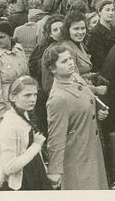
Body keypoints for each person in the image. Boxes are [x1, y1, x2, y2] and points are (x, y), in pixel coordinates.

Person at [44, 45, 109, 190]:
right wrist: (55, 171)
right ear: (53, 69)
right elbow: (56, 137)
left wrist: (98, 112)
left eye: (70, 59)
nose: (70, 63)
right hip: (77, 157)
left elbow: (86, 101)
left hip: (92, 150)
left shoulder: (75, 77)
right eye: (64, 61)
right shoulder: (58, 99)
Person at [0, 76, 50, 190]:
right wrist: (36, 146)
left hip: (35, 172)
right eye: (27, 95)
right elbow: (9, 167)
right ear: (13, 97)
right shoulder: (10, 124)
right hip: (24, 181)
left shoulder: (24, 114)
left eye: (35, 94)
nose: (33, 99)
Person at [0, 21, 29, 139]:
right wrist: (2, 113)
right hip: (5, 106)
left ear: (10, 36)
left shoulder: (19, 49)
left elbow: (27, 75)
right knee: (9, 141)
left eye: (1, 37)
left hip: (23, 102)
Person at [87, 0, 115, 73]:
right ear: (99, 12)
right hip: (105, 71)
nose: (111, 13)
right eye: (107, 10)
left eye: (113, 10)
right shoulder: (95, 33)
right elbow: (99, 59)